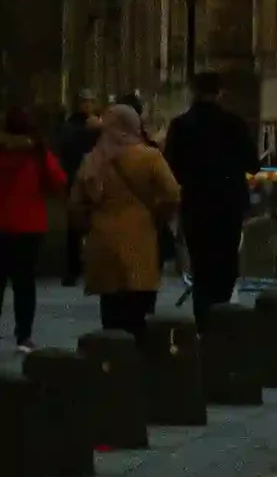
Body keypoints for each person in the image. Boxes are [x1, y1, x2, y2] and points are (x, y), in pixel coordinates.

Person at [67, 102, 182, 339]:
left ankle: (111, 361)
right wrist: (158, 216)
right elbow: (172, 194)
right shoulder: (149, 157)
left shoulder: (93, 159)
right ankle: (135, 363)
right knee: (137, 311)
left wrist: (88, 226)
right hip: (140, 239)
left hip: (102, 240)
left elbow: (76, 204)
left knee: (110, 311)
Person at [163, 69, 257, 319]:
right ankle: (222, 314)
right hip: (228, 202)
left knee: (201, 262)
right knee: (226, 260)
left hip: (197, 202)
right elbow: (252, 163)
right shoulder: (234, 124)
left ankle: (203, 314)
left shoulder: (181, 125)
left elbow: (171, 166)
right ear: (220, 92)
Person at [0, 105, 66, 348]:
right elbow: (58, 181)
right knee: (24, 284)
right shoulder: (37, 153)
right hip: (28, 225)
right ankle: (23, 336)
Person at [55, 95, 100, 287]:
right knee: (74, 228)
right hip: (75, 179)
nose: (87, 105)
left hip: (94, 180)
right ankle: (74, 268)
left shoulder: (99, 125)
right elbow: (68, 148)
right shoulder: (71, 127)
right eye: (84, 101)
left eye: (91, 101)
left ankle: (92, 266)